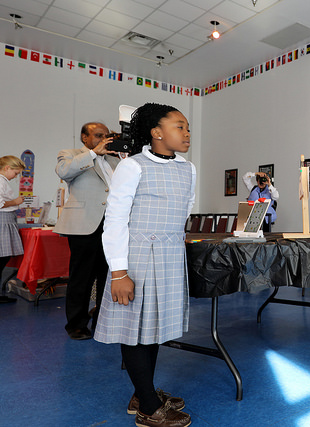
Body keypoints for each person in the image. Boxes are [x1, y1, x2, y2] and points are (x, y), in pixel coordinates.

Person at [94, 103, 195, 427]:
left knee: (152, 327)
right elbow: (116, 219)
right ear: (156, 132)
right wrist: (119, 272)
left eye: (188, 127)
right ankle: (149, 408)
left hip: (168, 255)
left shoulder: (188, 168)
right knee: (134, 329)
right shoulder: (133, 166)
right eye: (179, 126)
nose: (187, 132)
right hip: (137, 255)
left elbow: (184, 211)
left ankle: (142, 391)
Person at [54, 123, 120, 339]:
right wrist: (93, 153)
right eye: (99, 135)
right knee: (81, 278)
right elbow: (63, 172)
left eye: (107, 136)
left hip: (112, 226)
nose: (104, 139)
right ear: (84, 137)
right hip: (85, 226)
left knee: (107, 276)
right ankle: (76, 324)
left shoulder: (115, 160)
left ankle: (102, 316)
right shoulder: (71, 155)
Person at [0, 155, 26, 304]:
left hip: (7, 220)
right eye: (16, 173)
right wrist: (15, 201)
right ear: (7, 168)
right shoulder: (0, 181)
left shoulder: (3, 181)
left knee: (3, 258)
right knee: (1, 258)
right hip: (3, 220)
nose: (16, 177)